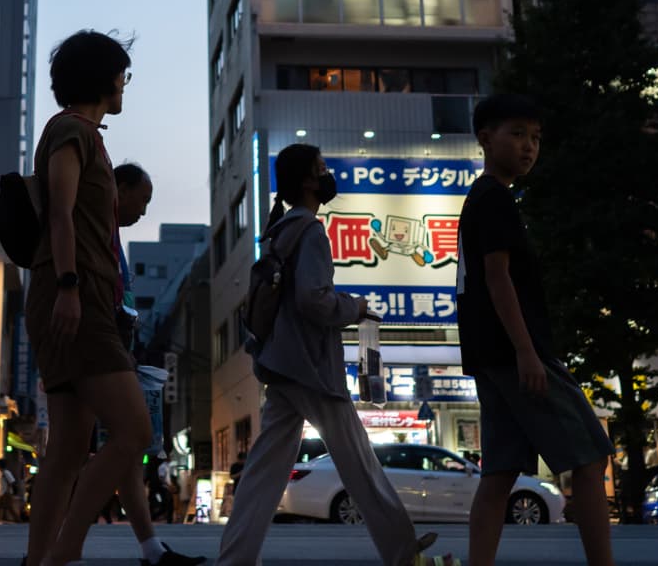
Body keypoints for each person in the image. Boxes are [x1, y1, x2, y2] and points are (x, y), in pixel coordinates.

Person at [217, 143, 438, 566]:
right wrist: (354, 307)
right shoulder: (311, 231)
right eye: (321, 168)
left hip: (279, 363)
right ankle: (403, 553)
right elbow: (313, 301)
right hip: (311, 367)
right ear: (307, 181)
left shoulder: (281, 231)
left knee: (264, 473)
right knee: (359, 462)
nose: (328, 174)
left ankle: (235, 559)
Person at [457, 95, 614, 566]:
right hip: (515, 351)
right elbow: (498, 277)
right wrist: (526, 351)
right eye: (518, 134)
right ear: (486, 139)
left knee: (499, 473)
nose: (529, 146)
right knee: (590, 456)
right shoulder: (496, 199)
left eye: (536, 138)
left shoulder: (478, 198)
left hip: (488, 353)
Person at [21, 31, 151, 566]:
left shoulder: (82, 133)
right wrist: (71, 287)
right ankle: (64, 551)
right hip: (76, 294)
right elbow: (60, 211)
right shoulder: (72, 130)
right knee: (134, 431)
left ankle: (38, 561)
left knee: (69, 448)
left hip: (71, 292)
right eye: (122, 74)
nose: (124, 84)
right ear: (103, 78)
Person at [108, 162, 203, 565]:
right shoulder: (95, 227)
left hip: (114, 350)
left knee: (127, 452)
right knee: (130, 440)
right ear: (120, 189)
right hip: (100, 351)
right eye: (143, 199)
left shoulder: (109, 234)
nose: (144, 211)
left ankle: (151, 549)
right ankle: (59, 551)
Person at [0, 458, 24, 523]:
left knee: (2, 508)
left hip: (6, 493)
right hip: (3, 493)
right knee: (7, 508)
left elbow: (12, 481)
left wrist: (8, 490)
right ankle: (17, 520)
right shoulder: (1, 473)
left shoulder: (6, 472)